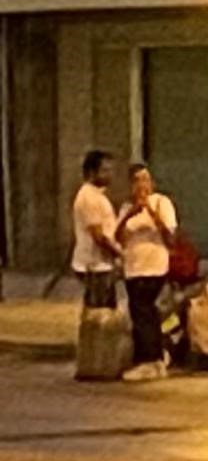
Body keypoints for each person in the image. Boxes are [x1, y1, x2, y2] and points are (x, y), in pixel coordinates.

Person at [112, 164, 177, 383]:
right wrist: (131, 213)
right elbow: (118, 237)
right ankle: (152, 356)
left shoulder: (162, 203)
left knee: (144, 310)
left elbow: (170, 237)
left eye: (146, 179)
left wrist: (150, 212)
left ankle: (151, 359)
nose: (142, 185)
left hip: (155, 266)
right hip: (133, 267)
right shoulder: (126, 208)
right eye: (138, 180)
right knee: (139, 313)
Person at [66, 152, 123, 382]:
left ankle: (100, 358)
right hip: (95, 265)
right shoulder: (89, 198)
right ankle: (95, 361)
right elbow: (99, 235)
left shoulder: (97, 196)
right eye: (104, 170)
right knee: (98, 315)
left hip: (100, 263)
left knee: (101, 314)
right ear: (91, 172)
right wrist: (120, 254)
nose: (109, 175)